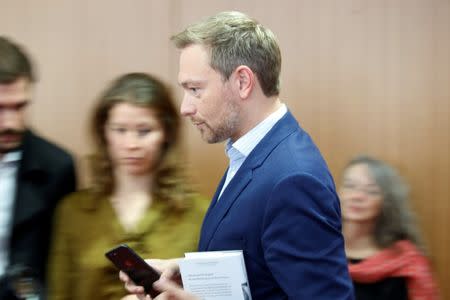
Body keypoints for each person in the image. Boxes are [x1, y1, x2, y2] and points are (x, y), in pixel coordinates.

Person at [122, 11, 354, 299]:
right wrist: (184, 274)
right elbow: (260, 267)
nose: (185, 108)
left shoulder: (294, 180)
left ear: (243, 82)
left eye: (195, 89)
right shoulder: (253, 153)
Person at [47, 72, 206, 300]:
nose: (131, 144)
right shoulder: (73, 211)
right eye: (120, 130)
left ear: (166, 134)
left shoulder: (198, 213)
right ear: (104, 132)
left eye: (144, 131)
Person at [0, 36, 77, 299]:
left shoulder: (57, 167)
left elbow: (56, 266)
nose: (11, 122)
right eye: (0, 108)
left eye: (20, 106)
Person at [339, 155, 440, 300]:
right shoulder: (316, 249)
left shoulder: (407, 261)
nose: (357, 196)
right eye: (350, 185)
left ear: (386, 203)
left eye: (371, 191)